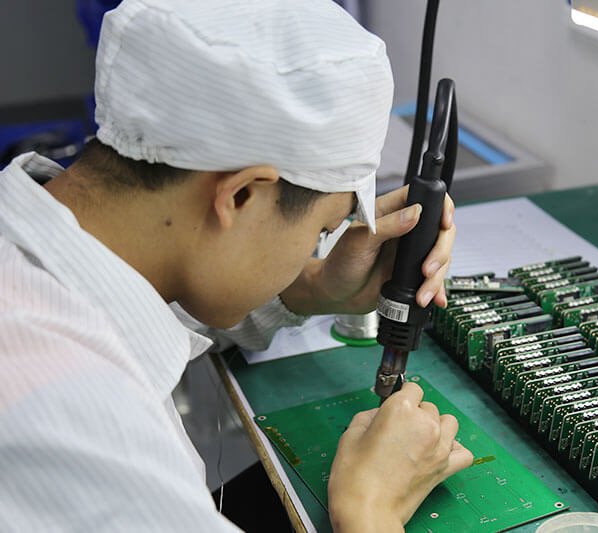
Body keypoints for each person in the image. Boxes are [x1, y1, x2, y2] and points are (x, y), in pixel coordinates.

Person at [0, 0, 473, 531]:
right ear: (243, 194)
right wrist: (369, 509)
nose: (316, 246)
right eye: (321, 231)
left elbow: (139, 301)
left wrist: (314, 288)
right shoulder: (83, 436)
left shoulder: (42, 249)